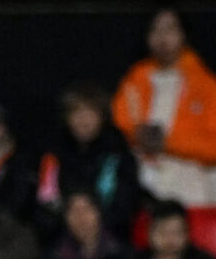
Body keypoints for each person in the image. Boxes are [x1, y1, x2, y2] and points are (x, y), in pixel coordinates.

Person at [112, 9, 216, 208]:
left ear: (184, 35)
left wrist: (169, 143)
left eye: (170, 29)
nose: (163, 38)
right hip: (143, 185)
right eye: (155, 30)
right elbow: (120, 120)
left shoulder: (207, 85)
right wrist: (137, 134)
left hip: (190, 187)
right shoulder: (135, 80)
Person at [37, 86, 139, 241]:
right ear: (67, 118)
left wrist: (91, 229)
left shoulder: (118, 153)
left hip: (109, 239)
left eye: (91, 113)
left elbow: (124, 206)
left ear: (102, 117)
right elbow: (46, 202)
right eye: (76, 113)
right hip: (62, 239)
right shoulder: (54, 156)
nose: (83, 120)